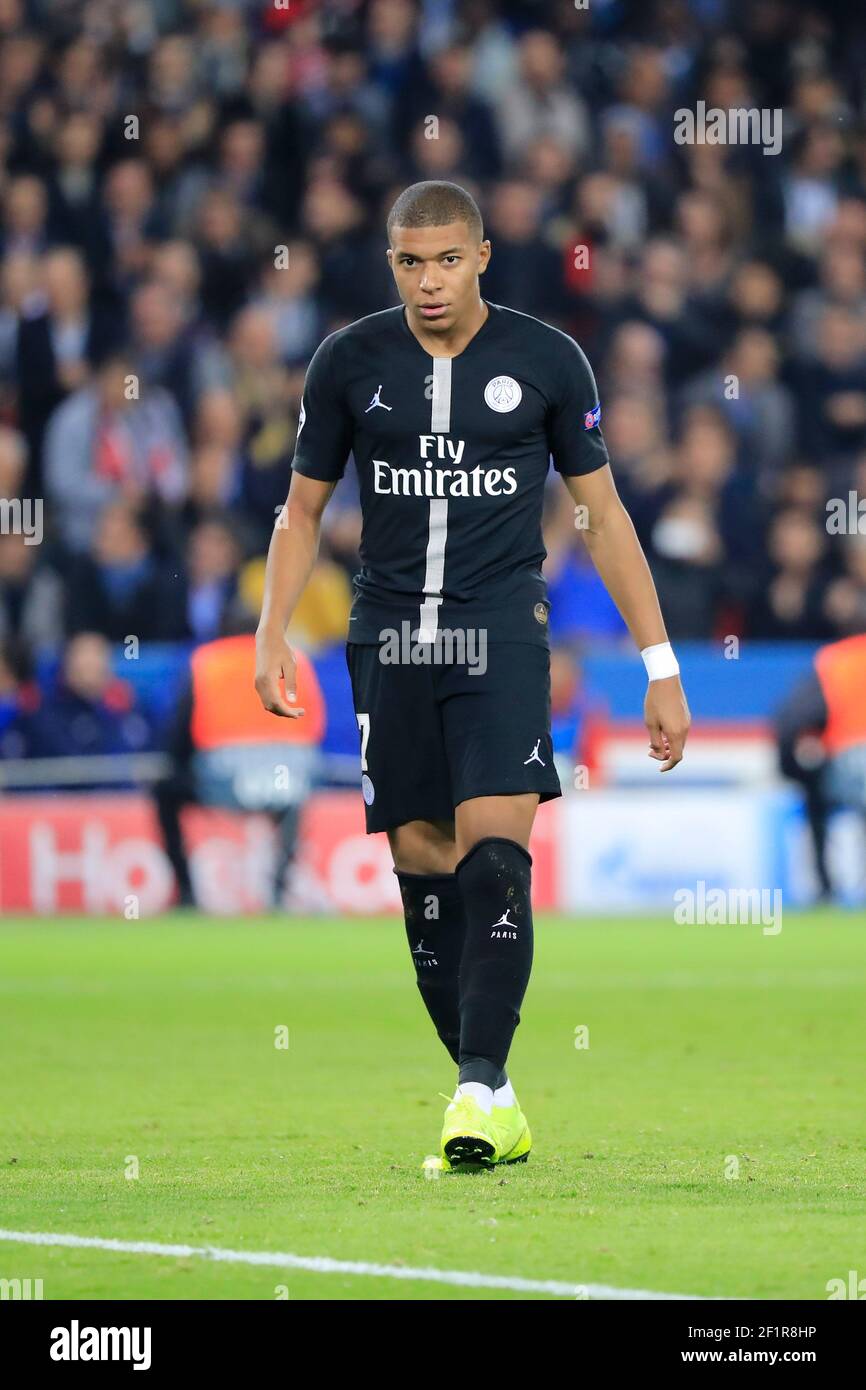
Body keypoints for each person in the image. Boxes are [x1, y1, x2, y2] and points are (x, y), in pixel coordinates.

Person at [254, 180, 690, 1172]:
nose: (428, 280)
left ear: (482, 256)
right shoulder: (347, 361)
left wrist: (656, 664)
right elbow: (300, 511)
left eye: (447, 258)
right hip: (389, 639)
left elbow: (603, 517)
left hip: (501, 634)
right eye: (409, 262)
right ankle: (487, 1085)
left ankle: (474, 1088)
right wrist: (271, 630)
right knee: (421, 866)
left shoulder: (545, 358)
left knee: (493, 852)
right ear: (391, 266)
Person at [775, 632, 866, 899]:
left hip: (846, 757)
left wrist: (791, 768)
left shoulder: (833, 660)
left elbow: (796, 716)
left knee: (815, 799)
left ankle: (825, 887)